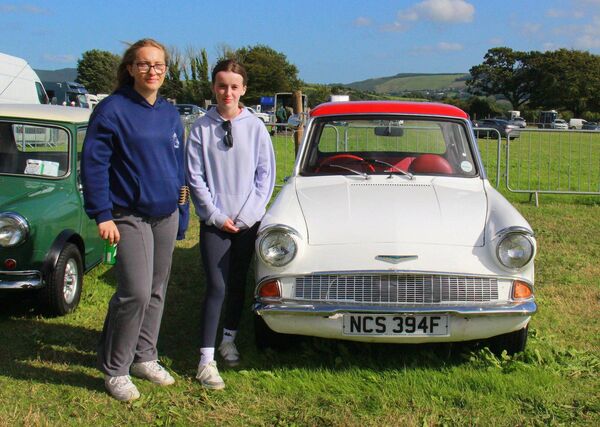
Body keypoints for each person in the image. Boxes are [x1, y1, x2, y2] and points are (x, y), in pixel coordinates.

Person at [81, 38, 189, 402]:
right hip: (127, 214)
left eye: (158, 65)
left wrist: (183, 213)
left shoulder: (171, 113)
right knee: (135, 292)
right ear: (130, 69)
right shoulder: (112, 110)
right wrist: (102, 213)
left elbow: (179, 168)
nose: (152, 71)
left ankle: (145, 355)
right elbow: (94, 164)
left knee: (157, 291)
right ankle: (116, 368)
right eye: (144, 64)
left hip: (165, 214)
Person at [186, 59, 275, 390]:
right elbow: (195, 177)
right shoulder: (200, 128)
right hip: (215, 223)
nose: (228, 92)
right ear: (213, 87)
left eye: (234, 86)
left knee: (237, 282)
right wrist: (215, 215)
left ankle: (228, 339)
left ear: (243, 90)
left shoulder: (255, 127)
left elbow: (265, 175)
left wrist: (248, 215)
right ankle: (205, 359)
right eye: (222, 85)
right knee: (217, 285)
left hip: (246, 222)